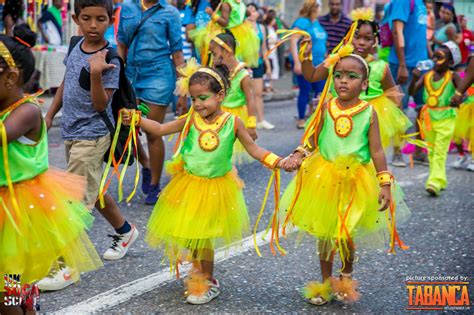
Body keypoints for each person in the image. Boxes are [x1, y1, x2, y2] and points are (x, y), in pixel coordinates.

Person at [121, 65, 283, 305]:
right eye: (193, 98)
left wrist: (277, 161)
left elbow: (254, 148)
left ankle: (207, 281)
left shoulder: (232, 122)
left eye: (203, 98)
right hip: (188, 185)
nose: (197, 104)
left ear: (219, 96)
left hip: (215, 188)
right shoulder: (191, 120)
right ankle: (199, 270)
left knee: (203, 237)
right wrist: (137, 119)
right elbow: (161, 128)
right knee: (188, 235)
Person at [279, 52, 409, 305]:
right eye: (338, 76)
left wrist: (384, 183)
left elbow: (377, 150)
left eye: (351, 77)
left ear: (364, 84)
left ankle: (346, 273)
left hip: (355, 180)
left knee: (346, 233)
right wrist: (298, 154)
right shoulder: (326, 106)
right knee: (326, 233)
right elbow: (312, 139)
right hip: (324, 178)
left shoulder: (368, 112)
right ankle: (326, 282)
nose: (343, 81)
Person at [0, 25, 102, 312]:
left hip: (18, 210)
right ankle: (25, 304)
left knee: (7, 286)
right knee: (13, 278)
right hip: (7, 207)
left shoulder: (27, 111)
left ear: (10, 78)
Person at [44, 0, 138, 285]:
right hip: (71, 131)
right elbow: (67, 84)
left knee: (73, 202)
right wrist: (50, 115)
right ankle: (124, 230)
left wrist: (96, 72)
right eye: (87, 18)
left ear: (110, 20)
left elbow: (101, 104)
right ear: (76, 19)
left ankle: (65, 266)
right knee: (90, 190)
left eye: (100, 19)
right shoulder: (75, 45)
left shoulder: (110, 57)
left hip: (93, 133)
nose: (93, 25)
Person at [301, 9, 412, 167]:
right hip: (337, 113)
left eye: (367, 39)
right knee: (334, 151)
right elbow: (311, 75)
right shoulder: (336, 60)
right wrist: (306, 57)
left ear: (374, 41)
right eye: (357, 36)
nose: (361, 42)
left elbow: (393, 94)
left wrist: (396, 122)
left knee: (364, 157)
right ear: (348, 38)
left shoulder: (381, 67)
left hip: (367, 118)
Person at [117, 0, 185, 205]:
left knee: (153, 132)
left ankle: (154, 185)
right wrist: (117, 76)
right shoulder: (127, 8)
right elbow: (121, 45)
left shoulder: (170, 13)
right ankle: (146, 164)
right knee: (128, 127)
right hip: (130, 74)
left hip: (158, 74)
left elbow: (177, 53)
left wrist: (183, 90)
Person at [408, 41, 462, 196]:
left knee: (440, 150)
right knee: (431, 150)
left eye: (439, 57)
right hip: (429, 118)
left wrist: (458, 98)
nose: (434, 60)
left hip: (446, 118)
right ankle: (440, 178)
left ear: (450, 62)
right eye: (434, 56)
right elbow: (412, 92)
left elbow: (462, 92)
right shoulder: (427, 75)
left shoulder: (454, 76)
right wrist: (414, 78)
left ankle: (435, 181)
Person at [209, 31, 258, 163]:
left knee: (225, 151)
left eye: (214, 54)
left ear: (227, 51)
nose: (212, 59)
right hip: (217, 114)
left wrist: (251, 125)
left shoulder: (243, 75)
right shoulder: (218, 70)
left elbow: (250, 99)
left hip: (234, 119)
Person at [290, 0, 327, 129]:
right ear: (314, 8)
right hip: (306, 63)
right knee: (305, 91)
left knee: (321, 92)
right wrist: (296, 63)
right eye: (319, 6)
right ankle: (301, 119)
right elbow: (293, 41)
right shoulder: (302, 22)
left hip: (320, 64)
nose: (321, 9)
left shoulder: (316, 23)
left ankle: (315, 117)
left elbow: (321, 42)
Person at [189, 0, 259, 68]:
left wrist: (212, 14)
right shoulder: (238, 2)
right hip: (241, 34)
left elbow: (225, 23)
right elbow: (248, 13)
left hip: (229, 33)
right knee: (236, 58)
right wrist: (238, 18)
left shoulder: (226, 4)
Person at [247, 3, 274, 130]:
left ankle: (261, 120)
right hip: (245, 65)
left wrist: (268, 66)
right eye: (249, 10)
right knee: (246, 95)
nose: (251, 13)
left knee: (258, 93)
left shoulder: (261, 28)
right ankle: (247, 121)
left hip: (258, 63)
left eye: (254, 10)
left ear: (258, 13)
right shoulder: (242, 27)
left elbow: (264, 49)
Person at [263, 9, 280, 93]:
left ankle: (270, 85)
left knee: (273, 68)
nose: (275, 21)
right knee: (269, 68)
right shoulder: (266, 28)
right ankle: (266, 86)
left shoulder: (272, 28)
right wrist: (275, 42)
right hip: (269, 50)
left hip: (274, 51)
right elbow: (266, 41)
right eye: (273, 19)